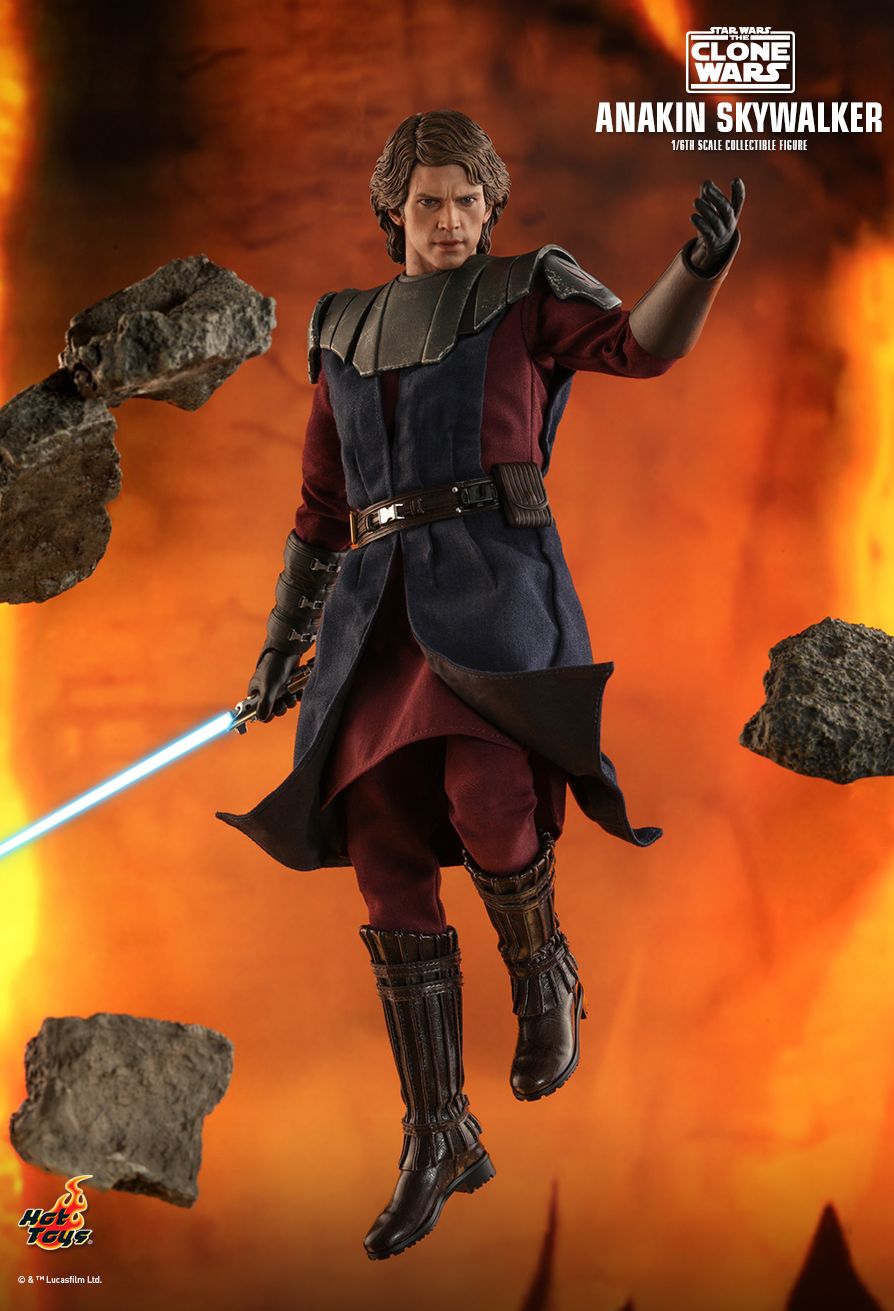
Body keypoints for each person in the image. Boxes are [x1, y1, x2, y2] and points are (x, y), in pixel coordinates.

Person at [218, 109, 743, 1261]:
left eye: (467, 200)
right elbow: (320, 509)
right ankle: (439, 1131)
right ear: (392, 213)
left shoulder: (526, 292)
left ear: (491, 206)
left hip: (495, 595)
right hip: (373, 619)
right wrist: (276, 650)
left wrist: (696, 270)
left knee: (487, 794)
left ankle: (541, 968)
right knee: (382, 849)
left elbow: (636, 347)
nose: (450, 221)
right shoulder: (340, 330)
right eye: (428, 203)